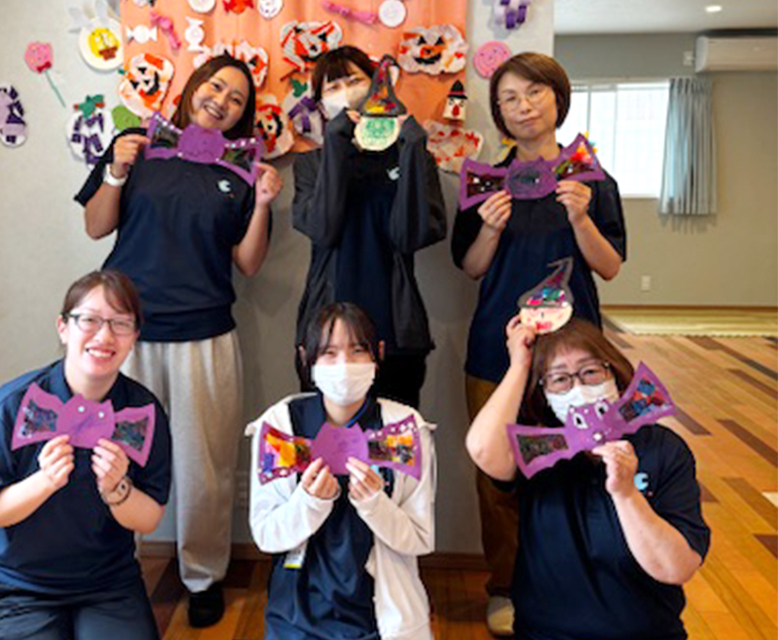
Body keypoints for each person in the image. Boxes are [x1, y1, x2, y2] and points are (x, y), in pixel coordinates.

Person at [75, 54, 283, 626]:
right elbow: (95, 226)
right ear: (193, 87)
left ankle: (203, 576)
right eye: (215, 86)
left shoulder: (243, 170)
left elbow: (249, 263)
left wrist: (264, 204)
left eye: (237, 98)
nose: (221, 101)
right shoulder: (137, 145)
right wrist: (116, 171)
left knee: (203, 468)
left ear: (243, 115)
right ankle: (114, 570)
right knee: (111, 455)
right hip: (124, 334)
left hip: (204, 335)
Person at [450, 52, 627, 634]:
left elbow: (610, 267)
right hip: (496, 349)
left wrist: (581, 220)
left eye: (534, 92)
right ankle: (505, 586)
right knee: (497, 475)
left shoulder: (591, 178)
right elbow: (471, 268)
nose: (523, 106)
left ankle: (577, 584)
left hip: (575, 357)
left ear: (558, 97)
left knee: (580, 466)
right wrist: (491, 226)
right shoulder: (485, 181)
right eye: (509, 98)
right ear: (498, 113)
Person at [465, 316, 709, 640]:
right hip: (546, 634)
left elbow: (676, 567)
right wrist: (519, 364)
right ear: (544, 393)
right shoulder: (539, 451)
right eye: (559, 379)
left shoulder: (663, 448)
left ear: (614, 373)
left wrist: (627, 494)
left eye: (591, 371)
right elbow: (482, 448)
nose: (578, 388)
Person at [0, 270, 172, 640]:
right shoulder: (11, 407)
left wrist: (117, 490)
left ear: (134, 337)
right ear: (63, 328)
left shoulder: (141, 412)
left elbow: (150, 518)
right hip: (17, 584)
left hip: (107, 582)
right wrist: (44, 482)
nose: (104, 336)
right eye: (89, 320)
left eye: (120, 323)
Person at [248, 302, 437, 640]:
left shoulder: (402, 429)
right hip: (297, 614)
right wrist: (309, 502)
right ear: (306, 358)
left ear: (378, 354)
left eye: (357, 350)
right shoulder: (282, 426)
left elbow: (419, 538)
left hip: (380, 617)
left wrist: (375, 504)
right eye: (329, 353)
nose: (344, 365)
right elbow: (267, 535)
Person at [293, 45, 447, 409]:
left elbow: (410, 236)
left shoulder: (410, 152)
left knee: (396, 435)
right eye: (333, 87)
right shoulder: (311, 164)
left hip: (396, 330)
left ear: (379, 87)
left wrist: (411, 152)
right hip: (327, 336)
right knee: (326, 435)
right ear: (320, 103)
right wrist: (335, 145)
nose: (346, 92)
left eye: (354, 80)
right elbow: (323, 229)